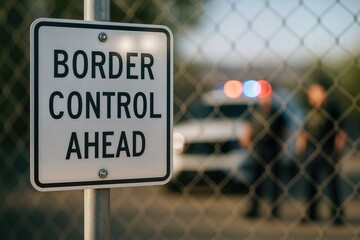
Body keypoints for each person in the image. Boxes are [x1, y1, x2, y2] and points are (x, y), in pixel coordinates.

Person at [296, 81, 347, 224]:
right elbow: (303, 132)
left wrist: (338, 151)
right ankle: (311, 213)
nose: (311, 95)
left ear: (323, 93)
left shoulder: (332, 109)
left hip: (329, 150)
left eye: (315, 92)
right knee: (311, 184)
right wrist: (300, 149)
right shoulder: (309, 110)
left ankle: (337, 215)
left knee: (332, 184)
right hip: (312, 152)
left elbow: (341, 132)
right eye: (311, 92)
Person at [239, 95, 287, 218]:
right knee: (256, 181)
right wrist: (246, 138)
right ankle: (254, 209)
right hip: (258, 149)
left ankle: (274, 211)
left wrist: (282, 145)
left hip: (273, 149)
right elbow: (248, 126)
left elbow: (284, 129)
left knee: (274, 182)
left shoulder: (277, 112)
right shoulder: (254, 111)